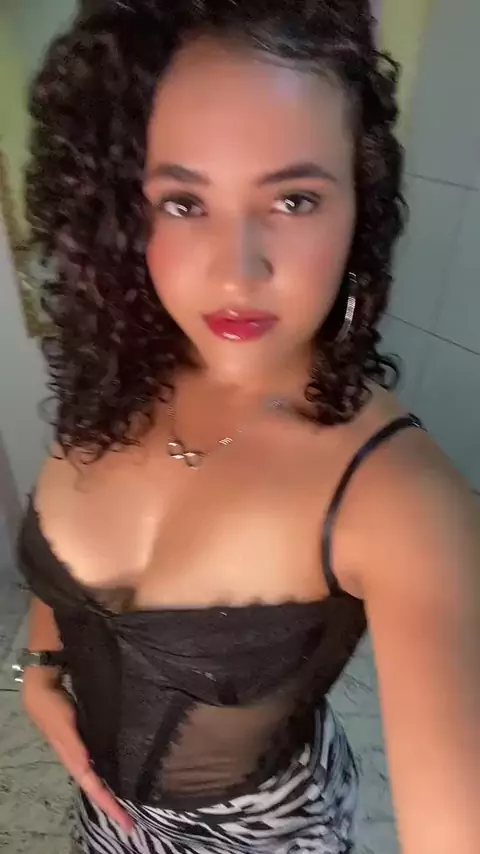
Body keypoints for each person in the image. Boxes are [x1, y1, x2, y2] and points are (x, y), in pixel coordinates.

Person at [16, 1, 479, 853]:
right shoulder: (117, 378)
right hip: (103, 820)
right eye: (183, 203)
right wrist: (41, 667)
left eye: (294, 200)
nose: (238, 272)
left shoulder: (401, 498)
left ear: (361, 206)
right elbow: (68, 574)